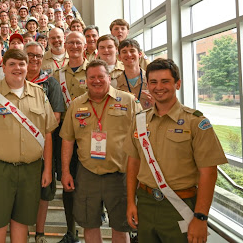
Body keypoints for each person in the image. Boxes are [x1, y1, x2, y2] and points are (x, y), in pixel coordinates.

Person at [124, 58, 227, 243]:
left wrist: (201, 217)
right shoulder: (140, 120)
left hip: (181, 205)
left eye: (165, 81)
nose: (159, 87)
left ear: (177, 84)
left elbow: (209, 172)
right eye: (153, 82)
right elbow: (133, 162)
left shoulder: (195, 122)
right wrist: (131, 202)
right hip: (145, 203)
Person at [0, 49, 58, 243]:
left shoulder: (39, 94)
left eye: (21, 64)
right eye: (12, 64)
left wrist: (47, 169)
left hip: (31, 169)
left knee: (22, 222)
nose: (17, 68)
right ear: (3, 68)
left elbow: (47, 133)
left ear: (27, 66)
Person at [61, 59, 140, 243]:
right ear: (86, 79)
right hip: (87, 174)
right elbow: (67, 140)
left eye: (100, 76)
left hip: (120, 174)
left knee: (121, 227)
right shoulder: (76, 105)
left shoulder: (128, 101)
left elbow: (141, 138)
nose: (96, 81)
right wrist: (65, 172)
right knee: (90, 225)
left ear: (109, 77)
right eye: (92, 77)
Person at [25, 42, 64, 243]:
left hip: (43, 147)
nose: (34, 59)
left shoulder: (51, 83)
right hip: (18, 149)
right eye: (30, 55)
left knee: (43, 193)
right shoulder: (15, 81)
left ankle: (39, 233)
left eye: (38, 56)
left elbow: (56, 117)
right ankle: (21, 232)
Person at [52, 31, 89, 243]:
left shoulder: (93, 70)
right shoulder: (57, 75)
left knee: (91, 181)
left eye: (78, 42)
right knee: (68, 182)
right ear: (65, 46)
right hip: (64, 136)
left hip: (89, 135)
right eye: (70, 43)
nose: (74, 46)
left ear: (85, 46)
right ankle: (70, 230)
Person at [116, 39, 153, 109]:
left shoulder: (152, 80)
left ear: (139, 54)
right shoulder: (115, 83)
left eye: (132, 51)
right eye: (124, 52)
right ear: (119, 57)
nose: (129, 54)